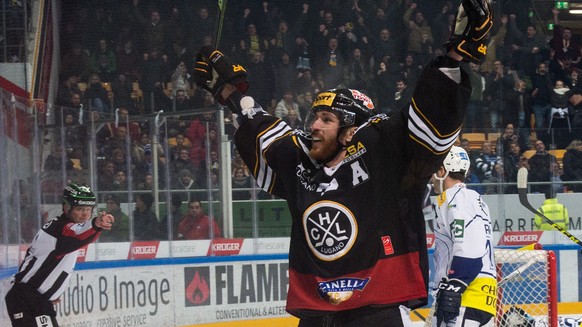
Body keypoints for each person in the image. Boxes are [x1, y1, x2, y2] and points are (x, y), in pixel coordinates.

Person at [192, 0, 492, 323]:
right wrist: (229, 91)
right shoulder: (303, 161)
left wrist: (456, 56)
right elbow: (264, 132)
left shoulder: (383, 153)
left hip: (376, 310)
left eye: (326, 119)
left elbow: (428, 121)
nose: (314, 126)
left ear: (350, 132)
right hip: (317, 313)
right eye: (314, 118)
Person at [5, 183, 113, 327]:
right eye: (80, 209)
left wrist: (50, 293)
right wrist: (96, 224)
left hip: (32, 297)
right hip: (27, 298)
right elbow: (78, 234)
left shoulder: (59, 227)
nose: (85, 214)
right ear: (67, 207)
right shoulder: (61, 229)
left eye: (88, 209)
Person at [429, 146, 496, 327]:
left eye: (434, 170)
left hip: (465, 297)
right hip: (478, 298)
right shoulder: (474, 199)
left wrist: (455, 286)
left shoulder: (454, 198)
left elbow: (468, 245)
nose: (431, 176)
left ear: (442, 171)